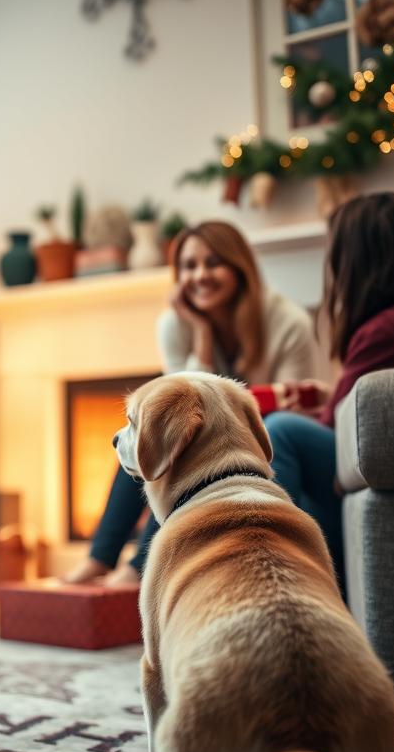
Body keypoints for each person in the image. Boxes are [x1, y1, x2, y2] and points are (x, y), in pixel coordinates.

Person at [65, 220, 321, 586]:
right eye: (188, 266)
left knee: (172, 450)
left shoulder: (287, 323)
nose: (200, 275)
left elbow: (291, 410)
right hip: (204, 439)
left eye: (213, 263)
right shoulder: (175, 323)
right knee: (143, 438)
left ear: (239, 267)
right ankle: (100, 557)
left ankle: (139, 568)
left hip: (251, 449)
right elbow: (179, 403)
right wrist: (201, 335)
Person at [264, 192, 394, 588]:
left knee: (280, 432)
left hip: (365, 481)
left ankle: (280, 584)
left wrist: (318, 413)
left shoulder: (387, 328)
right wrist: (332, 398)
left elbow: (335, 436)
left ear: (355, 261)